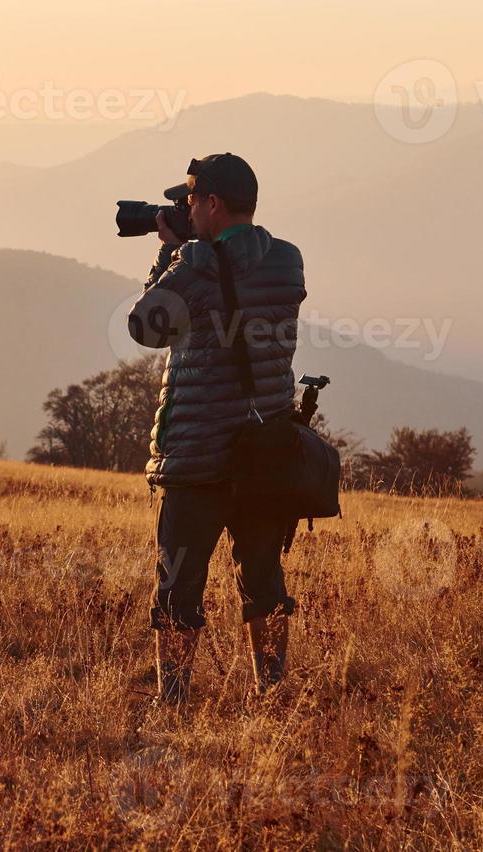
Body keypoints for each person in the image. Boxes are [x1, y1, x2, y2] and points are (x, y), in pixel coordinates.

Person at [127, 153, 307, 701]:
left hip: (197, 459)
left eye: (190, 200)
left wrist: (168, 252)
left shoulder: (194, 266)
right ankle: (271, 694)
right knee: (264, 584)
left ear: (211, 203)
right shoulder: (287, 260)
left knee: (178, 589)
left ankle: (174, 700)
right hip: (265, 453)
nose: (184, 209)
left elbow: (146, 328)